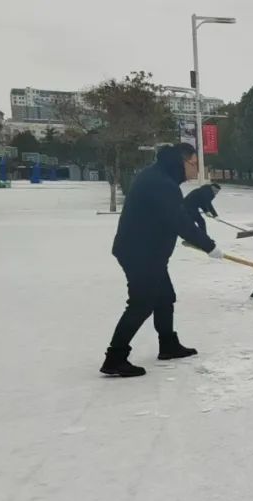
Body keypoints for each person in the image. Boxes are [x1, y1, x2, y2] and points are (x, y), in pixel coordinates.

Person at [102, 143, 222, 377]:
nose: (196, 170)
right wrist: (209, 245)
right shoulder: (161, 184)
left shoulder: (158, 177)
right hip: (140, 253)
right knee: (141, 303)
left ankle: (168, 344)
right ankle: (114, 358)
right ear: (182, 161)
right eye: (194, 164)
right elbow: (178, 221)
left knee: (165, 297)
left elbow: (177, 214)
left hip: (148, 252)